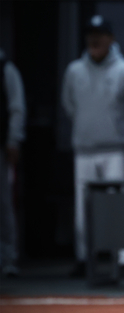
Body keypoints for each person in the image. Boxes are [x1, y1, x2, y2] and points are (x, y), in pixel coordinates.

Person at [61, 15, 124, 277]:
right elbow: (69, 106)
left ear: (111, 38)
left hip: (116, 148)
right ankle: (84, 258)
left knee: (120, 204)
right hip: (85, 149)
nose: (95, 40)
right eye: (91, 35)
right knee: (83, 209)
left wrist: (114, 127)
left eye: (100, 35)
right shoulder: (74, 71)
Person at [0, 48, 26, 278]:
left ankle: (8, 257)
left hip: (1, 147)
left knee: (3, 203)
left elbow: (16, 108)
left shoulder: (5, 68)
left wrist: (13, 140)